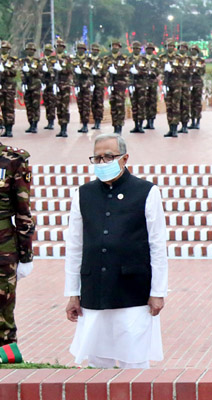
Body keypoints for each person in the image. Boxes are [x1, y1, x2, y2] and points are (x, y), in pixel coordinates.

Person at [64, 133, 168, 369]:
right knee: (98, 362)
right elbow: (75, 246)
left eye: (109, 156)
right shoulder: (83, 194)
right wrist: (72, 292)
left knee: (135, 362)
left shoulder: (146, 192)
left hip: (133, 289)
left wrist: (158, 291)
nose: (103, 163)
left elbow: (157, 246)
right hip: (95, 289)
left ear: (125, 158)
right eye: (97, 158)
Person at [0, 142, 35, 346]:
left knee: (3, 318)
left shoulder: (13, 160)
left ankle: (7, 368)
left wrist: (25, 255)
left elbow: (23, 211)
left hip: (2, 248)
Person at [105, 39, 129, 134]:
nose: (114, 47)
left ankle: (120, 125)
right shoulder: (107, 59)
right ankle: (115, 125)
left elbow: (126, 70)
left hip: (120, 85)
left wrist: (117, 72)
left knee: (120, 105)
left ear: (119, 47)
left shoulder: (123, 58)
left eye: (116, 46)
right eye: (113, 46)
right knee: (113, 106)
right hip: (111, 86)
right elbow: (103, 71)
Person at [20, 43, 42, 134]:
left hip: (35, 86)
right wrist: (23, 82)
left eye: (32, 50)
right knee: (28, 105)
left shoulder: (37, 61)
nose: (30, 51)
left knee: (35, 105)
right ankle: (30, 123)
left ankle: (35, 124)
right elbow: (20, 71)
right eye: (28, 49)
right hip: (27, 85)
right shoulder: (23, 61)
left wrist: (29, 70)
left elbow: (38, 72)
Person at [54, 39, 74, 138]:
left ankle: (65, 128)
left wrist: (61, 69)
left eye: (61, 47)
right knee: (58, 107)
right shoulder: (52, 58)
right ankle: (60, 127)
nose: (59, 48)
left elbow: (70, 70)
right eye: (58, 46)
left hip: (65, 85)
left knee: (64, 107)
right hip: (55, 85)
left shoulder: (68, 59)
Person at [128, 41, 148, 134]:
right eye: (134, 48)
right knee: (134, 105)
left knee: (141, 105)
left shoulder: (144, 59)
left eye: (137, 49)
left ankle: (140, 124)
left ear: (140, 50)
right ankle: (135, 124)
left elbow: (147, 70)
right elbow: (125, 70)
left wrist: (138, 72)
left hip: (141, 85)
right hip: (132, 85)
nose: (136, 50)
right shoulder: (128, 59)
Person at [0, 41, 18, 138]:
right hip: (0, 87)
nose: (4, 50)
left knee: (9, 108)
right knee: (2, 108)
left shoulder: (12, 60)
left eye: (6, 48)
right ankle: (3, 127)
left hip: (9, 87)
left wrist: (5, 71)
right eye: (3, 48)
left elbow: (15, 72)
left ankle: (9, 129)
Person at [89, 43, 107, 130]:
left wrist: (97, 73)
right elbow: (84, 69)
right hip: (90, 84)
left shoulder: (101, 61)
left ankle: (98, 121)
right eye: (93, 50)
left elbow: (104, 72)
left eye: (96, 50)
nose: (94, 52)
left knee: (99, 103)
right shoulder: (88, 60)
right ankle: (94, 119)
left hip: (99, 84)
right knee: (92, 103)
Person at [188, 44, 205, 131]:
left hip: (198, 83)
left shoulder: (201, 60)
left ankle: (198, 121)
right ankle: (192, 121)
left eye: (194, 50)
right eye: (191, 50)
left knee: (197, 103)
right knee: (190, 102)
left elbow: (202, 71)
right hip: (189, 83)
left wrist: (195, 70)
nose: (192, 51)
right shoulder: (188, 60)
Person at [176, 42, 192, 134]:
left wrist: (179, 70)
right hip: (176, 85)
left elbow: (190, 71)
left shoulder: (189, 59)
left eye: (184, 48)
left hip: (186, 85)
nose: (182, 49)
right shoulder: (175, 58)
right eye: (181, 47)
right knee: (176, 106)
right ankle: (176, 125)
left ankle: (185, 125)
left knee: (185, 106)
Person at [143, 42, 159, 131]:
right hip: (144, 83)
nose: (149, 50)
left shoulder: (156, 60)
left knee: (152, 102)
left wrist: (152, 73)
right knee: (145, 102)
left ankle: (151, 120)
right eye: (148, 49)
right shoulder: (142, 59)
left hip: (152, 83)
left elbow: (158, 70)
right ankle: (147, 121)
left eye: (151, 49)